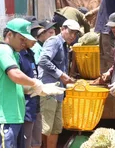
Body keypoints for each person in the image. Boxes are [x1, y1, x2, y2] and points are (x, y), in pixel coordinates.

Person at [0, 18, 65, 148]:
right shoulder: (2, 50)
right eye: (21, 39)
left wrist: (34, 89)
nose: (23, 43)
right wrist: (35, 83)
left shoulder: (14, 54)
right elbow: (15, 74)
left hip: (15, 117)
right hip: (5, 117)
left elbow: (15, 84)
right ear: (9, 35)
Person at [38, 19, 80, 148]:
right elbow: (43, 60)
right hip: (48, 90)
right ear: (62, 29)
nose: (73, 36)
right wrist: (60, 74)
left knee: (56, 128)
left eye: (75, 33)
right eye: (71, 32)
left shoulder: (65, 46)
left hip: (58, 91)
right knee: (45, 127)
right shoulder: (54, 41)